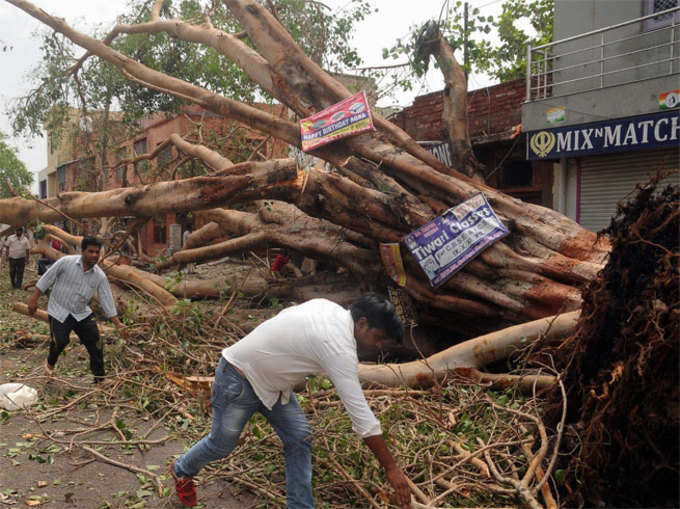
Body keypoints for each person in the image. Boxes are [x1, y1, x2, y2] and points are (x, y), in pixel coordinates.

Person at [170, 295, 412, 508]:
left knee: (300, 438)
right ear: (362, 324)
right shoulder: (337, 347)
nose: (378, 346)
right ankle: (182, 470)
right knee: (222, 444)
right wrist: (391, 468)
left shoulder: (330, 308)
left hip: (272, 386)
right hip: (239, 376)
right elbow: (363, 419)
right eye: (378, 338)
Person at [26, 236, 129, 384]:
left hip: (81, 312)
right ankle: (50, 363)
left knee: (96, 343)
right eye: (90, 251)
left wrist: (118, 323)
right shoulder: (66, 262)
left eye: (96, 252)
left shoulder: (99, 276)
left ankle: (100, 379)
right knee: (60, 342)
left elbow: (106, 299)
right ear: (82, 251)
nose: (94, 255)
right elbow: (47, 278)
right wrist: (33, 299)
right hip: (59, 309)